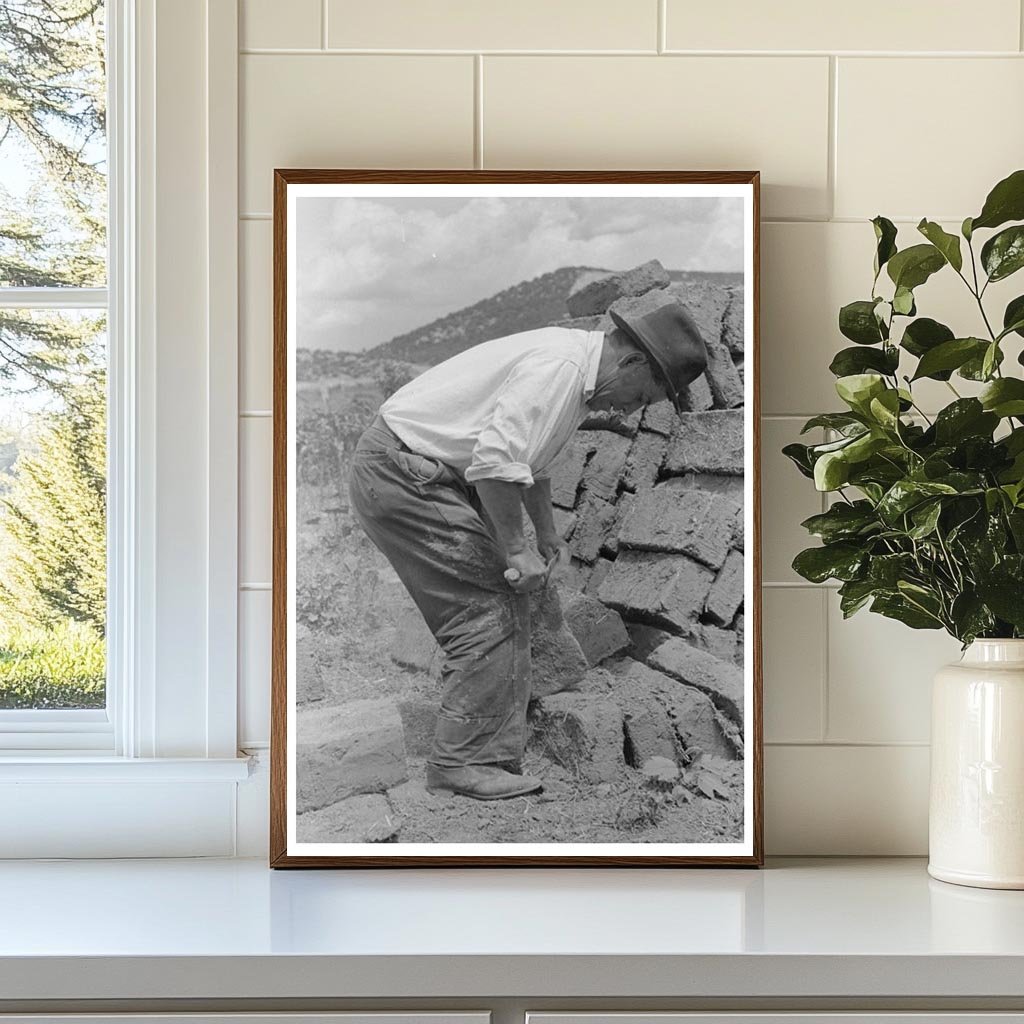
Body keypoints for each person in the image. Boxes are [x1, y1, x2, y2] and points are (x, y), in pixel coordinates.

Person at [348, 300, 708, 800]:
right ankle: (461, 763)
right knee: (487, 609)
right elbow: (496, 462)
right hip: (404, 473)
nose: (630, 411)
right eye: (641, 396)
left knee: (498, 601)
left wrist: (547, 535)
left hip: (416, 471)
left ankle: (485, 754)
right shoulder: (559, 370)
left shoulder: (575, 377)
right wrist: (516, 553)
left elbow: (530, 462)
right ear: (631, 364)